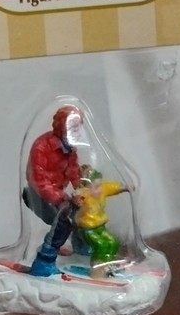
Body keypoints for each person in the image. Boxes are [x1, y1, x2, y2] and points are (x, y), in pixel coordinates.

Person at [23, 104, 84, 277]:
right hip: (37, 195)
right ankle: (43, 261)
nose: (77, 132)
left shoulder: (70, 149)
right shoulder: (42, 146)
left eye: (78, 127)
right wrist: (61, 198)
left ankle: (80, 250)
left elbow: (73, 171)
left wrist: (83, 191)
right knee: (62, 225)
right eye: (73, 127)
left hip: (57, 193)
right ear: (61, 126)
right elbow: (39, 180)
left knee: (81, 215)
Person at [71, 166, 130, 275]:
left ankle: (109, 264)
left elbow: (112, 187)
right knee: (100, 244)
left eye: (100, 185)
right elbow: (78, 196)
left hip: (100, 227)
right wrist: (77, 200)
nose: (100, 189)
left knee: (113, 241)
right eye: (96, 187)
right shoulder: (85, 195)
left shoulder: (102, 190)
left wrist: (125, 187)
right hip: (88, 230)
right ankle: (97, 269)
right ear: (88, 188)